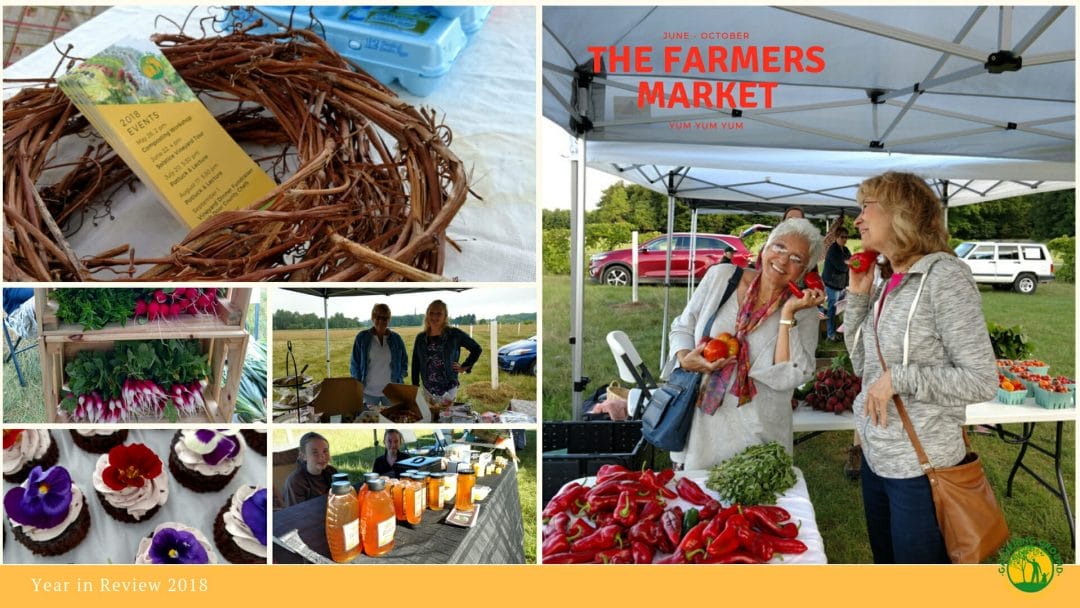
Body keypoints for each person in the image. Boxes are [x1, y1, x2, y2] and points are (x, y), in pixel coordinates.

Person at [845, 171, 996, 564]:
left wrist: (900, 378)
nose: (857, 219)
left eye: (866, 208)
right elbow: (863, 364)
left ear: (900, 212)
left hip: (922, 468)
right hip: (878, 459)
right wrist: (859, 296)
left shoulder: (944, 276)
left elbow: (981, 380)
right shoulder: (890, 280)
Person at [665, 218, 825, 470]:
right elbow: (683, 326)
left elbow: (791, 374)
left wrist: (787, 316)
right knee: (701, 501)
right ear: (764, 249)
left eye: (796, 259)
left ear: (805, 271)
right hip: (703, 424)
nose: (783, 260)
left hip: (760, 428)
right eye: (779, 247)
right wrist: (685, 358)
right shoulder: (722, 277)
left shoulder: (803, 312)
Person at [411, 299, 482, 405]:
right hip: (427, 389)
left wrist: (465, 366)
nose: (434, 317)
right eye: (431, 313)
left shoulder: (454, 334)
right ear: (427, 315)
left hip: (448, 390)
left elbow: (476, 349)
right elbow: (416, 363)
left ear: (445, 316)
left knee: (446, 418)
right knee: (430, 417)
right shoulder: (420, 338)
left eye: (439, 313)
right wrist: (415, 385)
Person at [350, 303, 409, 407]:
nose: (381, 321)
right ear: (373, 317)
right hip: (369, 391)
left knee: (391, 420)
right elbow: (355, 363)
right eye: (378, 317)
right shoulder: (362, 338)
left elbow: (404, 360)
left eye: (385, 318)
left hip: (392, 391)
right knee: (370, 420)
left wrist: (400, 376)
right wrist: (357, 383)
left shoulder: (396, 339)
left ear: (389, 319)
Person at [282, 432, 337, 507]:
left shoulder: (331, 472)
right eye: (315, 452)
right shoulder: (296, 482)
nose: (322, 457)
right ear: (303, 456)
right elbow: (296, 512)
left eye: (325, 451)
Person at [821, 228, 852, 341]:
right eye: (842, 237)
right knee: (832, 310)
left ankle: (836, 330)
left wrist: (849, 263)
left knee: (839, 309)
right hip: (832, 284)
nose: (844, 239)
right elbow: (842, 266)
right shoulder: (833, 250)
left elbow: (851, 263)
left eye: (846, 237)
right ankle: (831, 334)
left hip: (842, 285)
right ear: (836, 237)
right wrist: (849, 263)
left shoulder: (846, 250)